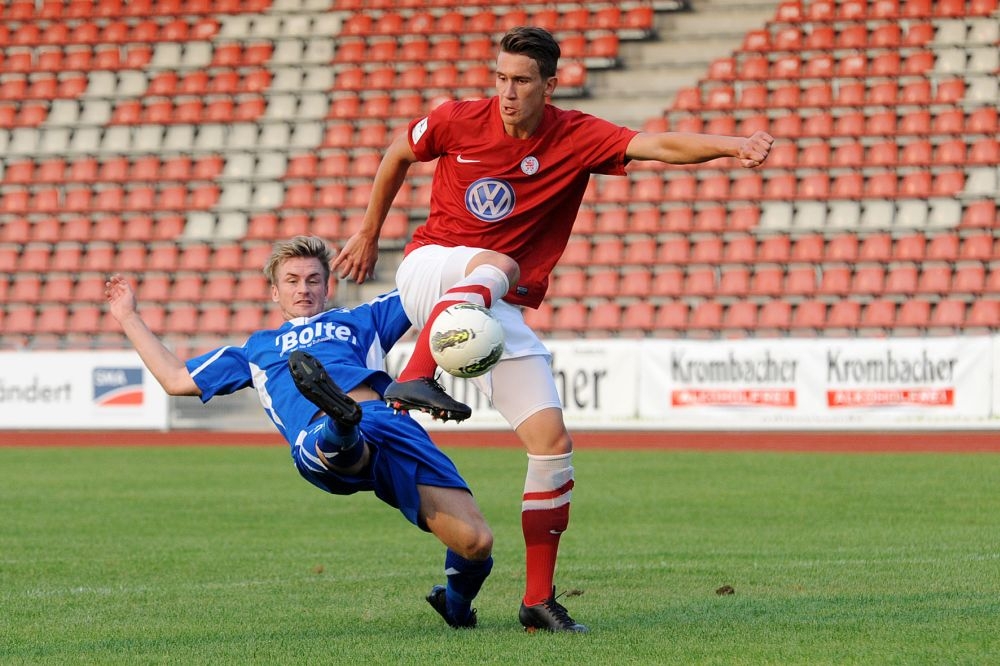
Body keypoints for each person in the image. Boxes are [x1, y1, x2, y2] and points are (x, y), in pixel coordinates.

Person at [331, 26, 774, 632]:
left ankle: (537, 600)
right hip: (432, 266)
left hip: (490, 302)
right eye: (500, 79)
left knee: (552, 444)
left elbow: (658, 144)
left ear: (549, 84)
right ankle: (414, 376)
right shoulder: (457, 119)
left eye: (520, 82)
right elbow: (398, 155)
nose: (507, 93)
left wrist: (732, 144)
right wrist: (369, 231)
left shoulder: (574, 135)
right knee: (500, 264)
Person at [105, 235, 493, 630]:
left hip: (392, 425)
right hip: (318, 435)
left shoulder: (363, 319)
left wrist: (466, 244)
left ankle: (457, 610)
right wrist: (127, 316)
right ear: (275, 291)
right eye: (292, 281)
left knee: (476, 543)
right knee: (338, 439)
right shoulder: (257, 349)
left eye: (312, 280)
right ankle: (341, 422)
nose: (303, 289)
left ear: (328, 287)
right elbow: (174, 378)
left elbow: (423, 283)